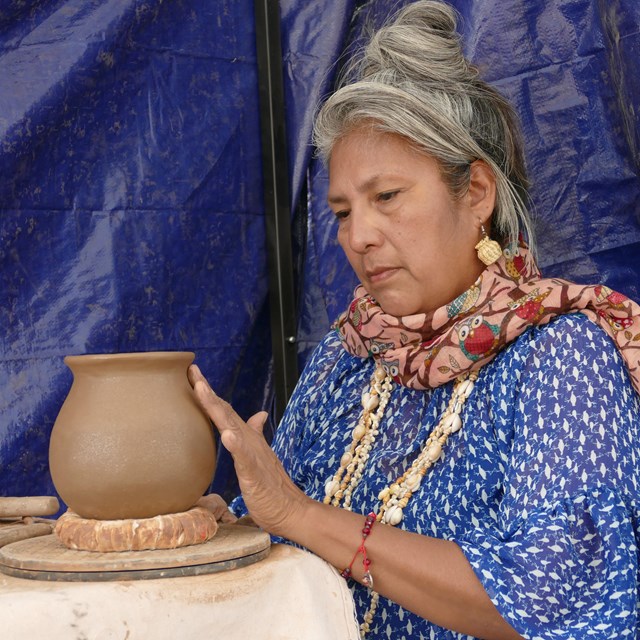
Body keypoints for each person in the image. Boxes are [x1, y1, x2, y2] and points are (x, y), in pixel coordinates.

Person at [188, 2, 640, 638]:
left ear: (476, 193)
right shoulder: (345, 359)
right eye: (343, 212)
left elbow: (552, 599)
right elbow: (275, 528)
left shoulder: (561, 356)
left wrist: (301, 514)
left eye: (387, 197)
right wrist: (220, 519)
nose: (359, 237)